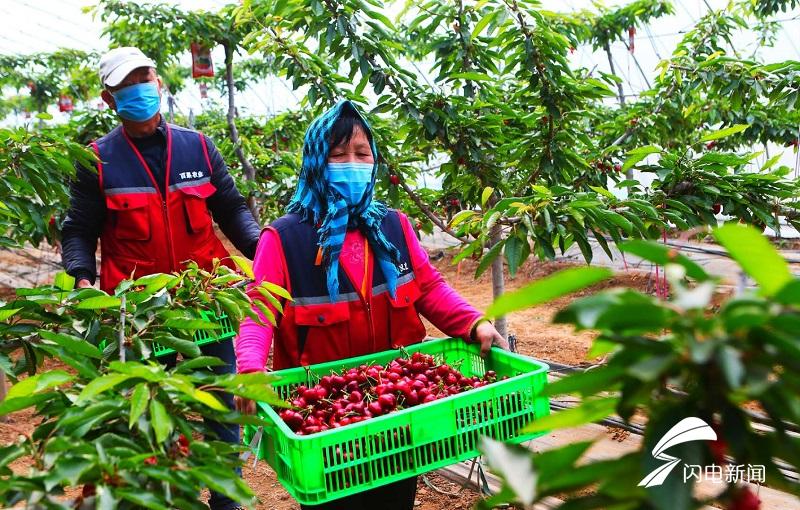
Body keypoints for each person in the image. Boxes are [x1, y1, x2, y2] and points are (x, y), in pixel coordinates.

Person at [234, 100, 508, 510]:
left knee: (396, 497)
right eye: (338, 154)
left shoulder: (393, 226)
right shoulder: (285, 239)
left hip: (396, 406)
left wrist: (474, 324)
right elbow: (259, 310)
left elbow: (430, 288)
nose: (352, 164)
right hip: (325, 417)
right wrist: (251, 369)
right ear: (315, 162)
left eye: (362, 155)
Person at [60, 47, 259, 510]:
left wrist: (262, 251)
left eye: (144, 79)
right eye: (127, 86)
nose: (139, 91)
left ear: (160, 83)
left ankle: (224, 498)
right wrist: (84, 280)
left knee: (220, 400)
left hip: (205, 303)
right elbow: (78, 229)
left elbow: (230, 209)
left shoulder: (198, 147)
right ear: (110, 100)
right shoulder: (97, 160)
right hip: (141, 315)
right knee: (144, 409)